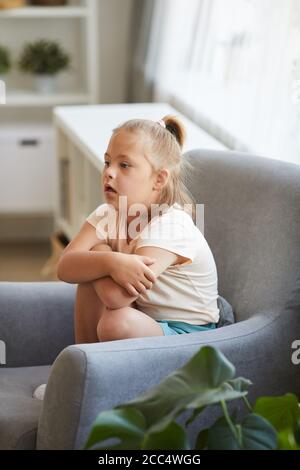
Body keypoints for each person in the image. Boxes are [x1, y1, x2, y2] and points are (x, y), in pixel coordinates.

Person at [33, 114, 219, 400]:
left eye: (124, 165)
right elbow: (65, 267)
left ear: (159, 179)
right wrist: (109, 259)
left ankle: (95, 385)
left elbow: (117, 299)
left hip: (188, 336)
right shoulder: (108, 214)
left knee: (113, 321)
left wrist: (97, 255)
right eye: (108, 162)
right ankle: (85, 378)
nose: (109, 172)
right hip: (148, 319)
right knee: (88, 278)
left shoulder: (170, 226)